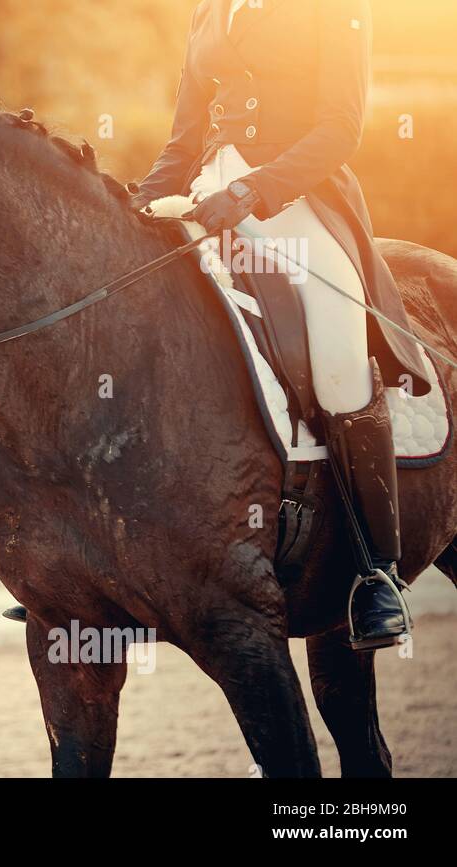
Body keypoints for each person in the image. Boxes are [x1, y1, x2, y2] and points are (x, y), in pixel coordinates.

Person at [129, 0, 430, 650]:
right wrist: (134, 204)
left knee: (340, 353)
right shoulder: (208, 9)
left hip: (295, 198)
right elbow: (183, 141)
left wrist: (253, 191)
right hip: (205, 196)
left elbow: (340, 129)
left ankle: (377, 572)